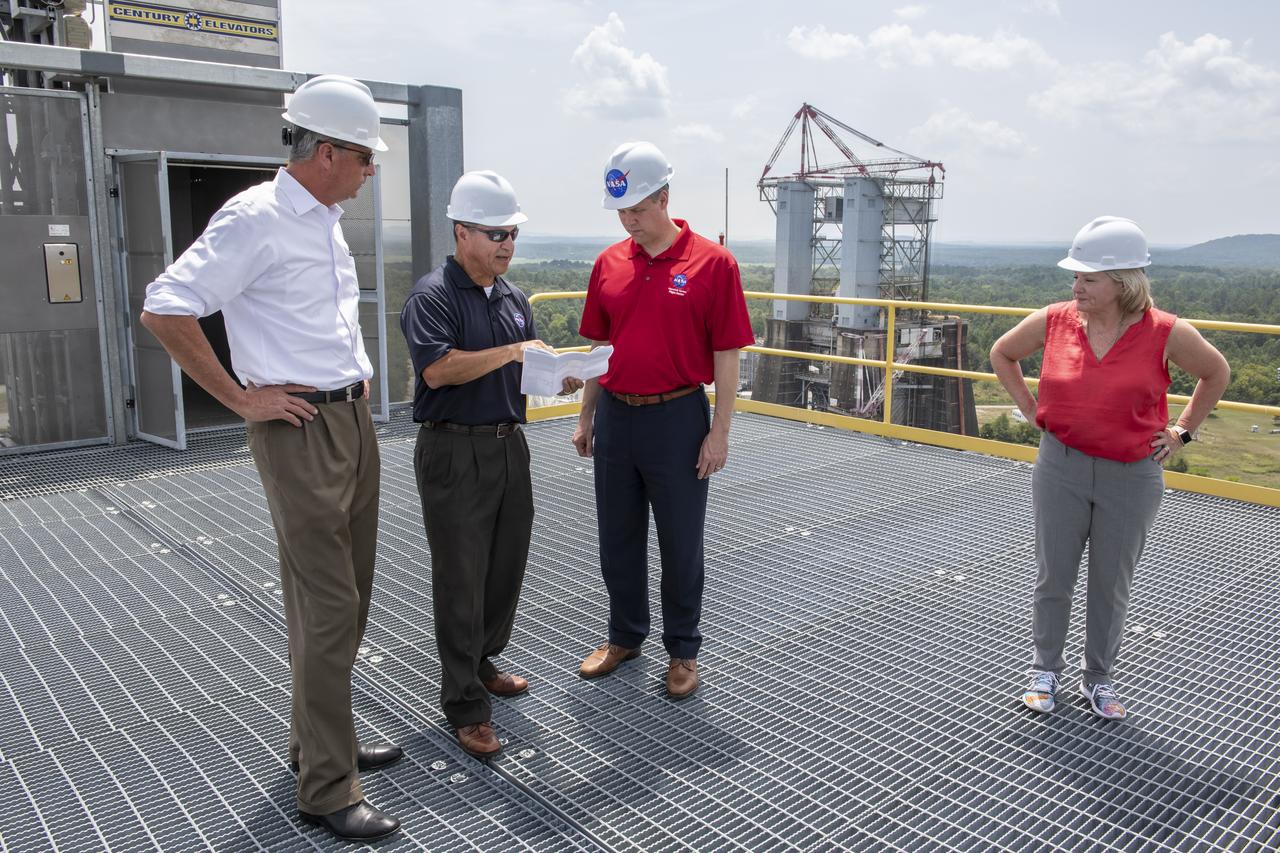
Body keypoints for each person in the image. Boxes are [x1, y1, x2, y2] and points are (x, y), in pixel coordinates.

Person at [140, 75, 401, 841]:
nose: (371, 169)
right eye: (363, 156)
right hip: (301, 433)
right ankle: (326, 787)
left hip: (348, 419)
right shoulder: (256, 217)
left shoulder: (321, 216)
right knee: (328, 610)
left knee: (347, 593)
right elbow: (166, 305)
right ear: (326, 152)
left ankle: (321, 741)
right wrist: (240, 398)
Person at [991, 215, 1230, 720]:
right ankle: (1044, 670)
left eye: (1088, 278)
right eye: (1074, 277)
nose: (1075, 286)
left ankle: (1098, 678)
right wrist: (1032, 410)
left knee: (1109, 582)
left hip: (1131, 475)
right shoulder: (1055, 319)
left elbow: (1216, 372)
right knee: (1054, 575)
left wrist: (1182, 431)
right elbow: (1003, 353)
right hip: (1061, 467)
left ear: (1123, 283)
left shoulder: (1165, 331)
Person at [400, 171, 581, 758]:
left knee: (505, 566)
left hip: (508, 444)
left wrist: (562, 373)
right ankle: (466, 705)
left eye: (513, 233)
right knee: (460, 576)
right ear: (462, 233)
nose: (507, 244)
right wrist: (510, 351)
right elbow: (438, 370)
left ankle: (481, 661)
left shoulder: (513, 298)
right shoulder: (432, 296)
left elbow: (523, 371)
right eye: (496, 233)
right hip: (453, 448)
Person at [572, 141, 754, 699]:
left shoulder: (713, 264)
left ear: (665, 198)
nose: (629, 222)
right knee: (617, 538)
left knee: (681, 542)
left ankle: (682, 650)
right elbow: (602, 348)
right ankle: (625, 636)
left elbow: (727, 353)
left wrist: (719, 431)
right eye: (621, 213)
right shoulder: (609, 263)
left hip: (678, 417)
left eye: (638, 211)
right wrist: (587, 418)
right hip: (619, 421)